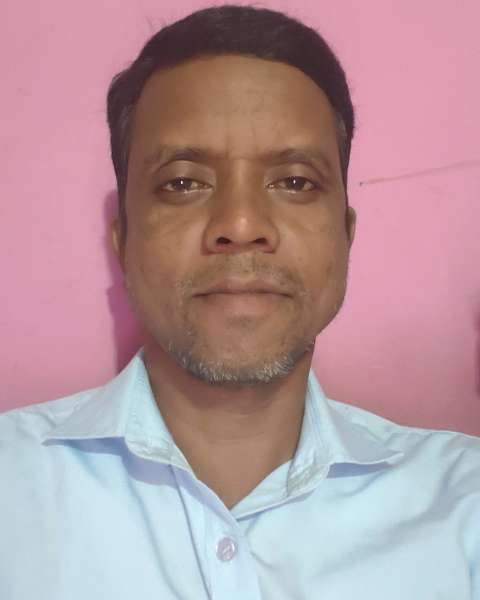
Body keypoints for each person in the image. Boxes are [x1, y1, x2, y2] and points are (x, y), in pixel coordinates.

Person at [1, 4, 479, 599]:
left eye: (296, 182)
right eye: (182, 182)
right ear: (122, 241)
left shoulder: (464, 503)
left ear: (346, 235)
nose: (242, 224)